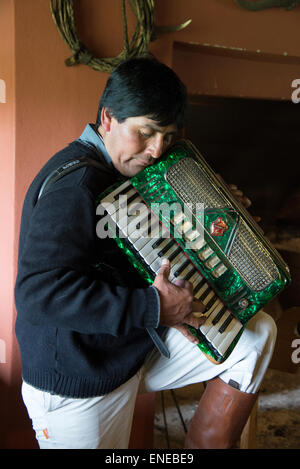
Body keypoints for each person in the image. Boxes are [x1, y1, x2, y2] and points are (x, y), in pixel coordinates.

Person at [15, 57, 277, 449]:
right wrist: (154, 308)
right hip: (77, 381)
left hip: (128, 350)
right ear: (108, 119)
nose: (157, 150)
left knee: (255, 335)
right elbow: (37, 294)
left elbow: (150, 242)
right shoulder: (75, 186)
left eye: (168, 136)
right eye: (146, 132)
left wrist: (217, 214)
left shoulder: (127, 175)